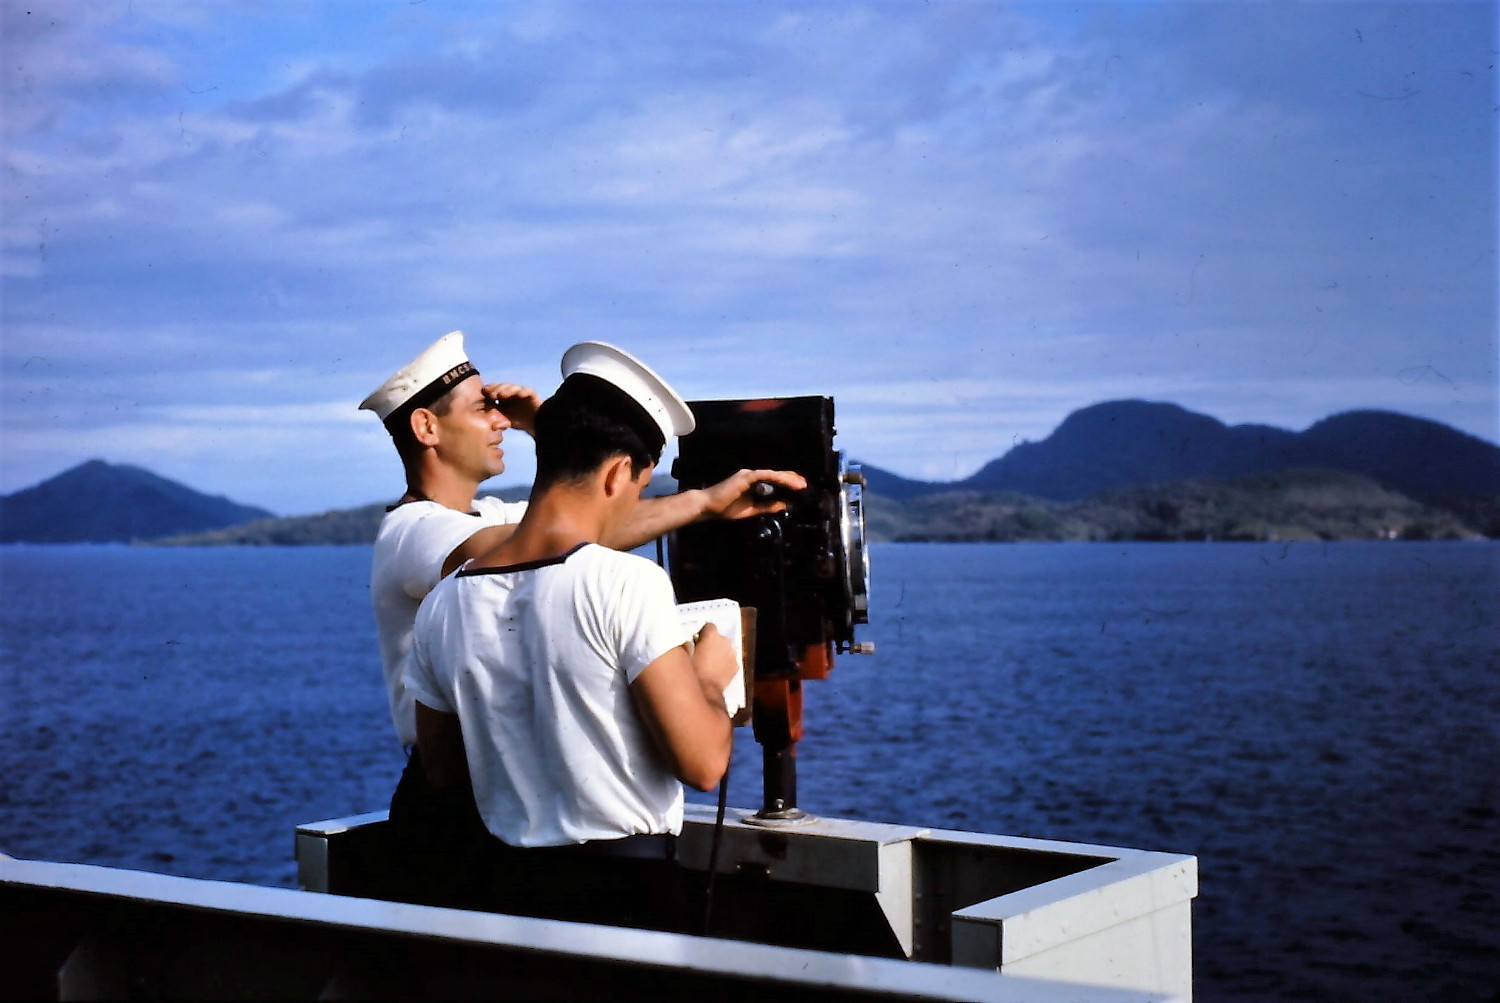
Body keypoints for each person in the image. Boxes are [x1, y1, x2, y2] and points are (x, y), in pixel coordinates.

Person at [402, 342, 803, 929]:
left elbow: (442, 770)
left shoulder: (442, 603)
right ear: (620, 473)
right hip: (627, 899)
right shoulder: (627, 582)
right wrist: (710, 681)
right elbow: (704, 763)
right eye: (641, 486)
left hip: (505, 899)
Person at [359, 331, 802, 752]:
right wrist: (556, 434)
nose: (500, 421)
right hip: (454, 783)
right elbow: (553, 541)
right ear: (426, 427)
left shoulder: (491, 516)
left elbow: (579, 520)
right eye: (481, 409)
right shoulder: (413, 532)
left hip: (497, 771)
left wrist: (707, 502)